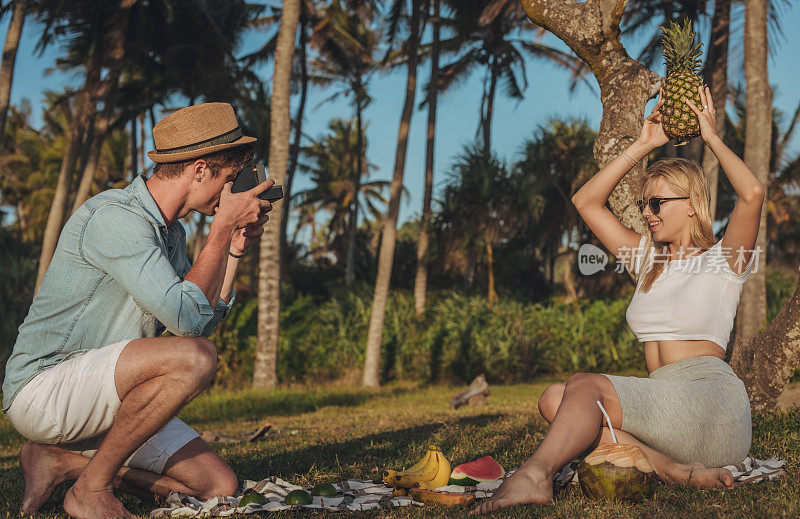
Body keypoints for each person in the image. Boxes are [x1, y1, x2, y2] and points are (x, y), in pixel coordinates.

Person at [472, 85, 763, 514]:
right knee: (556, 399)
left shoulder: (725, 259)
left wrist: (712, 137)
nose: (647, 213)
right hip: (667, 407)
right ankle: (676, 470)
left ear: (692, 204)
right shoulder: (647, 261)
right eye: (645, 204)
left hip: (711, 406)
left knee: (585, 388)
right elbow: (585, 202)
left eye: (658, 202)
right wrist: (643, 144)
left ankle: (534, 475)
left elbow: (752, 194)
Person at [2, 102, 274, 518]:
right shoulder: (116, 218)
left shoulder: (173, 234)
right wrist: (219, 230)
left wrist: (233, 248)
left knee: (219, 486)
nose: (231, 192)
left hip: (106, 392)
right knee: (196, 358)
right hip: (45, 389)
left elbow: (198, 321)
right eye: (229, 179)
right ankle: (90, 489)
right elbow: (188, 332)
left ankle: (64, 462)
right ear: (199, 170)